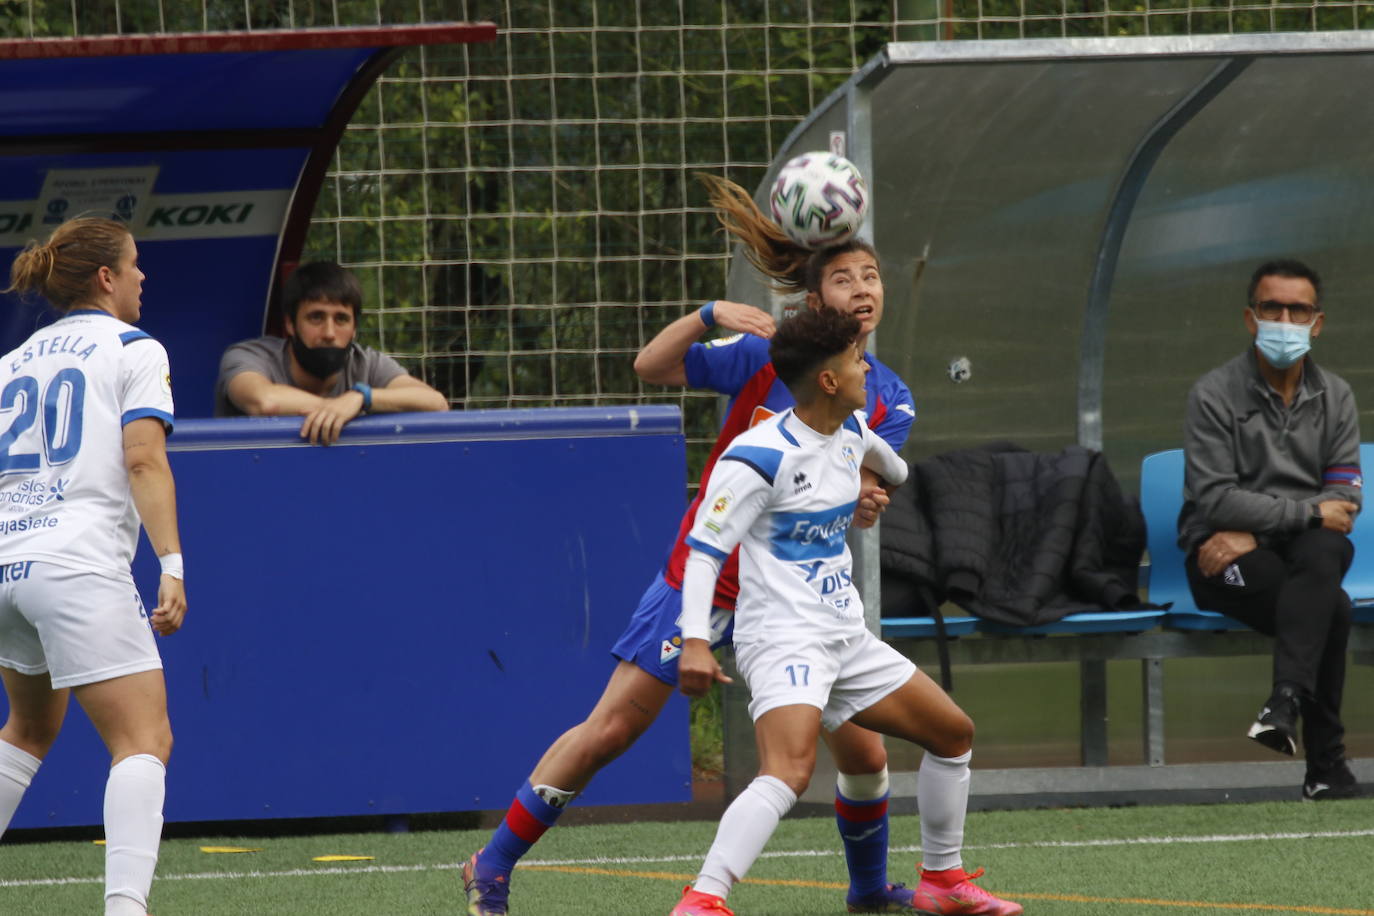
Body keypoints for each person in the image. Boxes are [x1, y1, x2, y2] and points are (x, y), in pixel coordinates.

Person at [461, 174, 976, 916]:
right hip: (710, 578)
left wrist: (867, 499)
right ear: (812, 296)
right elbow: (652, 367)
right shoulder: (767, 353)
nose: (863, 289)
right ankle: (494, 862)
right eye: (843, 277)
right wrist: (706, 315)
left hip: (797, 603)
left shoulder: (881, 391)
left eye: (871, 276)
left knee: (864, 751)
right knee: (612, 730)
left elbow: (862, 484)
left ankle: (868, 892)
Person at [669, 307, 1020, 916]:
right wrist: (696, 641)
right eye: (858, 360)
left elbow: (898, 469)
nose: (868, 369)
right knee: (789, 771)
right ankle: (703, 900)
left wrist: (865, 487)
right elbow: (704, 551)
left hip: (844, 635)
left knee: (953, 733)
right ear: (827, 380)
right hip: (783, 638)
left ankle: (941, 880)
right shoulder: (757, 455)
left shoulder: (854, 429)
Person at [0, 218, 187, 916]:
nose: (143, 277)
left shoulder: (10, 364)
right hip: (75, 565)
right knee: (143, 739)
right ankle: (126, 911)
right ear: (105, 277)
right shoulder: (134, 347)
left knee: (27, 729)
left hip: (8, 565)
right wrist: (171, 562)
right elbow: (143, 458)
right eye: (135, 265)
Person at [1180, 258, 1363, 801]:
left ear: (1318, 321)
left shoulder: (1337, 397)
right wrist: (1301, 517)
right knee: (1332, 605)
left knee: (1328, 547)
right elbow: (1215, 502)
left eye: (1298, 309)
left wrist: (1261, 527)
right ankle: (1325, 764)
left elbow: (1345, 501)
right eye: (1272, 308)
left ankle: (1286, 704)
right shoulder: (1213, 394)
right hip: (1219, 559)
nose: (1285, 319)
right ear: (1250, 317)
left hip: (1294, 554)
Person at [214, 261, 447, 443]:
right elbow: (265, 402)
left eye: (341, 319)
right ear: (290, 324)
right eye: (316, 317)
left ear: (354, 328)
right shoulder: (248, 355)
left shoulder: (367, 362)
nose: (329, 332)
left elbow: (436, 403)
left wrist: (360, 398)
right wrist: (337, 410)